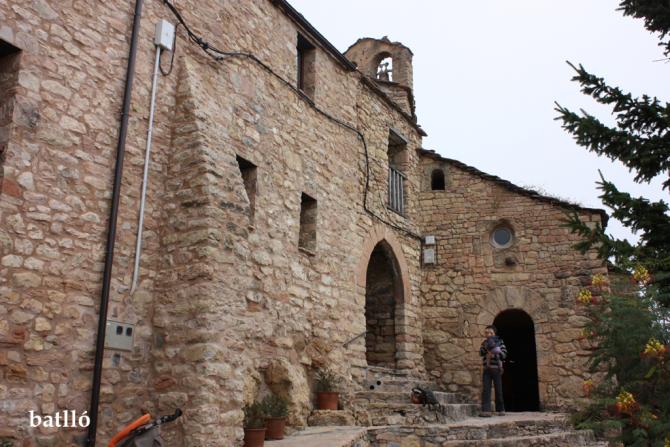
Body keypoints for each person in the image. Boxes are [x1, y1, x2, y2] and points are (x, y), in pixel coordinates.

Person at [479, 325, 507, 416]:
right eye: (486, 333)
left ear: (494, 333)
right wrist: (487, 348)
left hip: (497, 369)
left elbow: (504, 354)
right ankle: (486, 410)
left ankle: (500, 410)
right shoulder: (484, 343)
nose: (488, 334)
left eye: (490, 333)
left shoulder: (500, 342)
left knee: (498, 389)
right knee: (486, 390)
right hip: (486, 369)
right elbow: (481, 353)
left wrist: (496, 352)